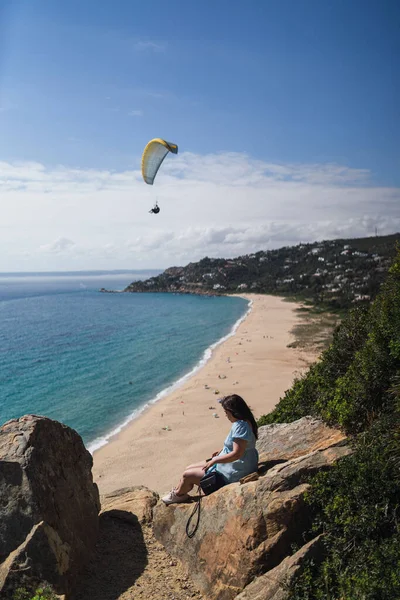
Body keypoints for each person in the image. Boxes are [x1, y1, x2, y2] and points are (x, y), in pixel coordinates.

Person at [162, 394, 259, 505]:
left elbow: (237, 454)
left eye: (226, 412)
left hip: (232, 474)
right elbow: (241, 445)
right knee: (189, 468)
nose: (226, 415)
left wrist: (215, 460)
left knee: (186, 475)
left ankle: (179, 495)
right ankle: (178, 491)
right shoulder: (246, 421)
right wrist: (222, 450)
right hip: (231, 466)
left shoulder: (240, 425)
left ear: (234, 411)